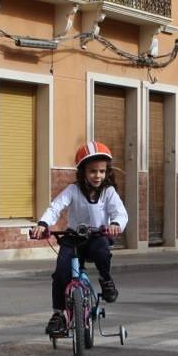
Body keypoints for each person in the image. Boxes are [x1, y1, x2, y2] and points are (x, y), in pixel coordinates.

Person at [30, 141, 129, 337]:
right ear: (82, 171)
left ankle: (106, 279)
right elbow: (55, 207)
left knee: (102, 251)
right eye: (92, 171)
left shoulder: (108, 192)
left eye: (101, 171)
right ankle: (58, 314)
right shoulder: (73, 190)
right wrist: (43, 224)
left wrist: (116, 224)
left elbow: (120, 212)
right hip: (73, 238)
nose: (97, 175)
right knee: (61, 273)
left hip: (98, 236)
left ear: (106, 172)